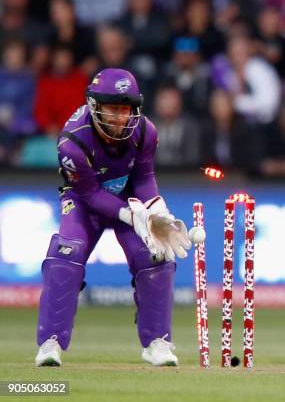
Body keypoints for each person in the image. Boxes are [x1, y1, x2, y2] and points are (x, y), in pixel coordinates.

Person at [35, 68, 192, 367]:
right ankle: (50, 342)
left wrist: (157, 211)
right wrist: (132, 216)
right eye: (112, 109)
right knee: (67, 252)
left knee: (156, 255)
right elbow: (91, 194)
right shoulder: (72, 141)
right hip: (82, 200)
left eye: (125, 110)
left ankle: (157, 342)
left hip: (130, 198)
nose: (119, 118)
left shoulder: (146, 131)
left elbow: (144, 178)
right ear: (95, 106)